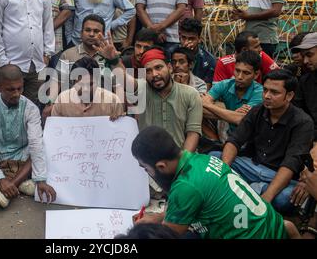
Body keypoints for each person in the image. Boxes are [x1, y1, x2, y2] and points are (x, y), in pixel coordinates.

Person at [131, 125, 300, 239]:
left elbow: (168, 235)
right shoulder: (202, 159)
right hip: (272, 226)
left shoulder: (185, 187)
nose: (147, 173)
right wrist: (159, 217)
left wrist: (141, 230)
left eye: (146, 168)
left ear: (161, 165)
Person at [211, 69, 314, 214]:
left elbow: (291, 164)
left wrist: (267, 197)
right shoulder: (257, 110)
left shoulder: (303, 122)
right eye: (265, 90)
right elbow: (235, 140)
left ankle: (247, 189)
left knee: (284, 199)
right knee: (214, 157)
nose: (267, 96)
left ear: (289, 95)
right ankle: (250, 188)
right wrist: (223, 172)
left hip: (278, 177)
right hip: (250, 166)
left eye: (274, 92)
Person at [96, 37, 203, 152]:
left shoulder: (191, 94)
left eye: (158, 67)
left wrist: (182, 162)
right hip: (148, 162)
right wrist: (114, 61)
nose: (154, 74)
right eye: (148, 71)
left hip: (181, 160)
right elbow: (125, 79)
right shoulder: (141, 88)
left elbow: (193, 133)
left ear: (170, 68)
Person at [0, 64, 56, 208]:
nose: (16, 94)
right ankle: (14, 182)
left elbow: (35, 144)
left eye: (20, 88)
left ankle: (11, 184)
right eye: (10, 89)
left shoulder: (30, 108)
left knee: (42, 145)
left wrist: (41, 180)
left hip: (22, 155)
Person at [202, 50, 263, 132]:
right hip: (229, 134)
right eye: (237, 71)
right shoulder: (224, 84)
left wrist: (209, 106)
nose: (240, 77)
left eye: (246, 73)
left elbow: (240, 119)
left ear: (256, 74)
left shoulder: (260, 92)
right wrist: (232, 114)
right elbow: (201, 109)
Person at [51, 57, 125, 118]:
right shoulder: (62, 100)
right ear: (73, 82)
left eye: (91, 84)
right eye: (81, 84)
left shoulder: (113, 101)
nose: (86, 89)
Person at [213, 30, 278, 84]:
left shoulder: (260, 55)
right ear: (244, 50)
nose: (260, 49)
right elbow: (216, 91)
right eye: (256, 47)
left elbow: (279, 76)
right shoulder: (223, 63)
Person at [293, 32, 317, 168]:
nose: (306, 61)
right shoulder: (305, 82)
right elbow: (300, 115)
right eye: (304, 56)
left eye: (310, 55)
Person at [179, 18, 215, 87]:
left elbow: (206, 90)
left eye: (191, 39)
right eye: (183, 38)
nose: (186, 42)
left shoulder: (209, 61)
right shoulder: (171, 55)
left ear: (199, 39)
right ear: (179, 37)